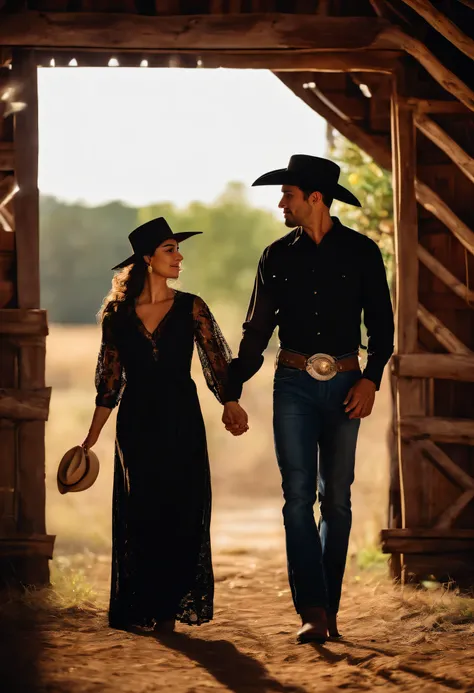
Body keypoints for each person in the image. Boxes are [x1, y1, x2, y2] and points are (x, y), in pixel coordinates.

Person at [221, 155, 394, 643]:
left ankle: (329, 609)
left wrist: (371, 380)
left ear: (315, 198)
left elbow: (382, 329)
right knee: (296, 499)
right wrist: (230, 390)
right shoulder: (275, 256)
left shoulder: (362, 252)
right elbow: (256, 332)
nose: (281, 203)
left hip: (347, 384)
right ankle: (313, 611)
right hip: (293, 385)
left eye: (288, 194)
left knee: (336, 502)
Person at [82, 217, 248, 633]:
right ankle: (148, 603)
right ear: (147, 259)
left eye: (178, 249)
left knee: (183, 507)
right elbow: (109, 384)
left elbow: (216, 362)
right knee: (143, 511)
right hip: (136, 423)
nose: (179, 257)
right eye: (170, 250)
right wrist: (90, 439)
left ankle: (169, 608)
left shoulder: (192, 306)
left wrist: (231, 402)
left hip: (182, 418)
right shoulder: (117, 317)